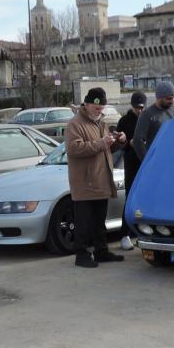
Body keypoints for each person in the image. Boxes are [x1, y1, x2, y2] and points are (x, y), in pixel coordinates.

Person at [64, 87, 126, 268]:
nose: (99, 111)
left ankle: (101, 251)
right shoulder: (75, 124)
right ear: (87, 104)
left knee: (99, 221)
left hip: (101, 181)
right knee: (83, 223)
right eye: (96, 108)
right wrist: (101, 143)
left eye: (102, 109)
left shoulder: (101, 123)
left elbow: (105, 149)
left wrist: (118, 142)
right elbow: (74, 149)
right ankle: (81, 255)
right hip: (84, 183)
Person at [115, 91, 146, 251]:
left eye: (141, 107)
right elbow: (119, 144)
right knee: (130, 198)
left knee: (146, 199)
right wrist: (129, 144)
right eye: (136, 108)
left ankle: (144, 233)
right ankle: (124, 234)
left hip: (146, 162)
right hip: (131, 162)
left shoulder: (148, 118)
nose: (139, 110)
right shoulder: (125, 121)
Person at [132, 81, 174, 162]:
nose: (172, 101)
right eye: (168, 98)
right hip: (157, 160)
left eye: (173, 98)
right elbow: (137, 140)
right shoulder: (147, 114)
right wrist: (147, 161)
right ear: (159, 97)